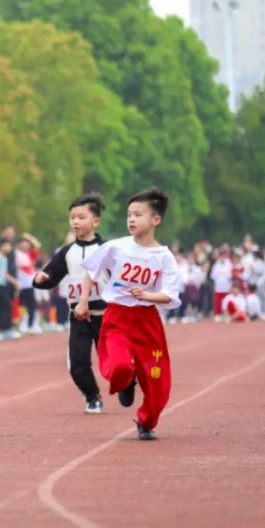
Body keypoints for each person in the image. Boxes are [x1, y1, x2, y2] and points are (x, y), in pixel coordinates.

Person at [76, 187, 182, 440]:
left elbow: (170, 296)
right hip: (118, 319)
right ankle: (126, 382)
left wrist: (147, 296)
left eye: (138, 214)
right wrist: (82, 302)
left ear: (156, 220)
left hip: (147, 323)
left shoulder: (164, 257)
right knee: (121, 366)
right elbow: (90, 272)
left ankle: (146, 421)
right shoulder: (116, 247)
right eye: (129, 214)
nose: (131, 220)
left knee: (158, 382)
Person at [34, 193, 110, 414]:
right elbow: (50, 275)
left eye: (81, 217)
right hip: (78, 315)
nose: (75, 222)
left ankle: (127, 384)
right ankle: (92, 396)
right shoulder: (67, 252)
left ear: (95, 221)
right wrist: (41, 280)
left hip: (105, 314)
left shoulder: (107, 250)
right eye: (72, 218)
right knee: (77, 364)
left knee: (114, 362)